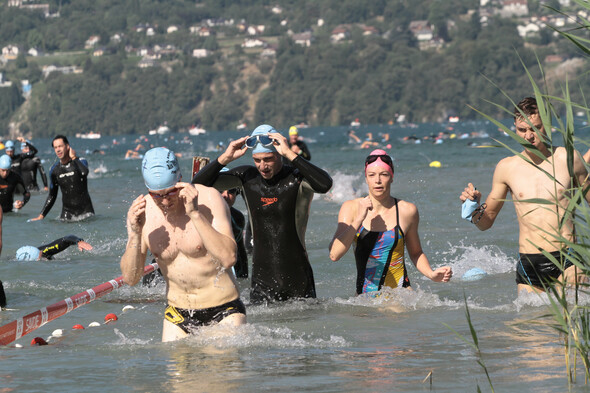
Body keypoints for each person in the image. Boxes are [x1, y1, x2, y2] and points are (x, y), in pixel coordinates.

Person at [460, 97, 590, 294]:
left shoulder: (569, 158)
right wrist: (473, 208)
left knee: (569, 318)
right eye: (522, 130)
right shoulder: (506, 168)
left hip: (568, 259)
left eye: (536, 128)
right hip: (530, 263)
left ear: (547, 125)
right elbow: (485, 223)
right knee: (529, 322)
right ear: (514, 127)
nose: (529, 136)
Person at [192, 124, 333, 303]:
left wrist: (290, 154)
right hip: (261, 283)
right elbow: (198, 185)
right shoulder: (248, 177)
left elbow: (325, 184)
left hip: (298, 279)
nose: (262, 166)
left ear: (279, 154)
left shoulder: (296, 178)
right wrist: (224, 159)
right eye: (257, 160)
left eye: (268, 159)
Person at [120, 147, 245, 342]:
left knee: (224, 370)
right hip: (176, 315)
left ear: (180, 180)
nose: (165, 201)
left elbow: (229, 258)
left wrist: (195, 214)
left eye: (171, 192)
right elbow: (130, 278)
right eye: (157, 195)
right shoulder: (143, 213)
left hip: (223, 310)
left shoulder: (209, 199)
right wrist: (135, 234)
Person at [329, 149, 452, 295]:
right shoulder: (351, 208)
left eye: (384, 174)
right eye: (372, 175)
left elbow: (416, 252)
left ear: (392, 177)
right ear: (366, 178)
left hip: (401, 296)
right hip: (364, 300)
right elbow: (334, 255)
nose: (378, 180)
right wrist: (358, 219)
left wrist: (431, 274)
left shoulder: (407, 210)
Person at [31, 135, 94, 221]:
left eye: (60, 146)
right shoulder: (54, 170)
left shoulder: (80, 161)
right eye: (55, 147)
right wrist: (41, 216)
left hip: (86, 212)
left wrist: (74, 158)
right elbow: (52, 195)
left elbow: (84, 173)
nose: (58, 150)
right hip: (67, 214)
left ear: (67, 146)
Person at [220, 178, 249, 278]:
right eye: (220, 190)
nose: (225, 195)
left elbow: (240, 251)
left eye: (231, 191)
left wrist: (244, 279)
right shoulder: (198, 216)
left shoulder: (237, 218)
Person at [15, 235, 92, 261]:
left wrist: (78, 241)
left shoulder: (44, 251)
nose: (42, 254)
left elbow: (66, 238)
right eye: (40, 256)